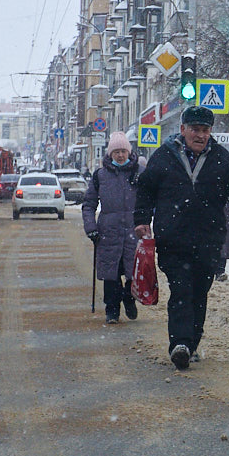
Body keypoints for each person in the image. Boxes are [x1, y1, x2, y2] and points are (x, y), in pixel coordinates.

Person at [134, 105, 229, 370]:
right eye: (195, 129)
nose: (200, 135)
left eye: (205, 130)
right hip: (172, 239)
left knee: (199, 291)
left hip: (209, 239)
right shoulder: (164, 156)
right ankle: (180, 344)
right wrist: (141, 219)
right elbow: (145, 191)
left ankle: (192, 343)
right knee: (181, 290)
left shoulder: (221, 158)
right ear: (183, 129)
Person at [82, 132, 140, 325]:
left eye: (123, 151)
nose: (120, 155)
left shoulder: (139, 173)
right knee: (111, 275)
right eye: (116, 152)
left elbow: (149, 200)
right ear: (110, 154)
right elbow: (89, 204)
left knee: (133, 272)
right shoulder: (100, 175)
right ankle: (112, 310)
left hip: (133, 231)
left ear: (129, 152)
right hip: (108, 233)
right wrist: (91, 227)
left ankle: (129, 299)